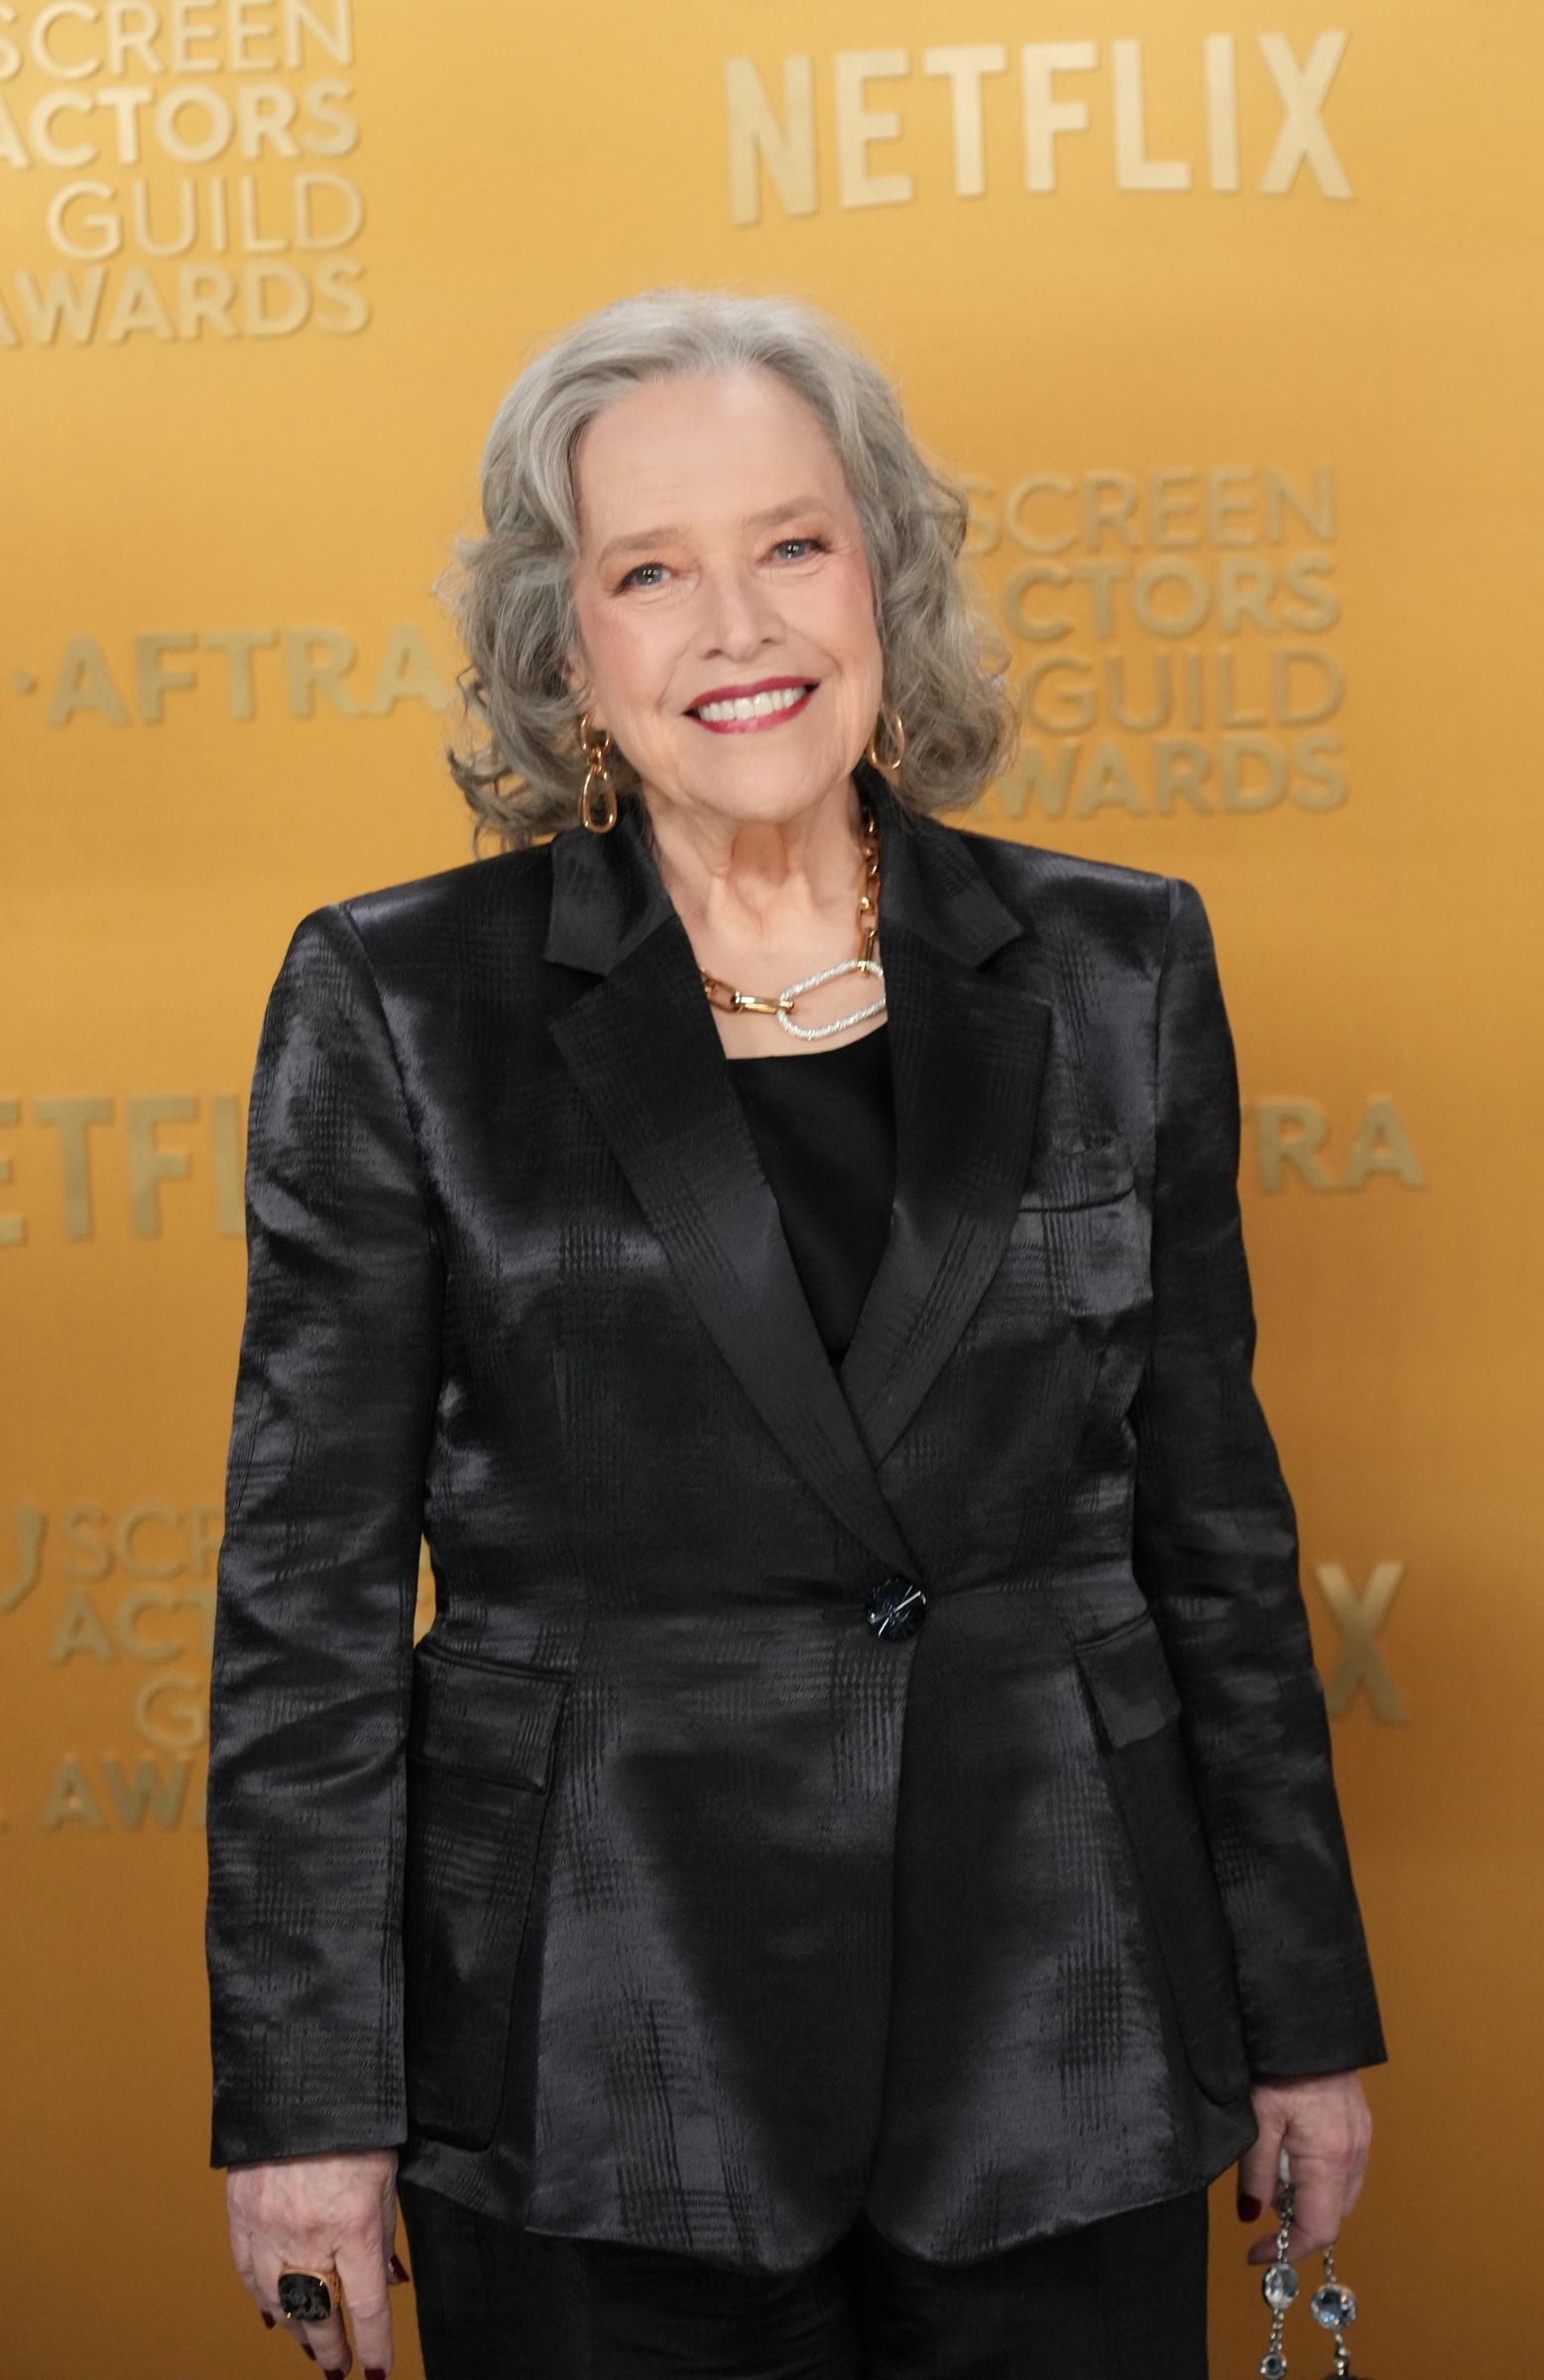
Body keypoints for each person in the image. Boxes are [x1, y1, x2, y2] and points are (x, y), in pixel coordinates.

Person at [204, 287, 1386, 2379]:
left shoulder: (1118, 965)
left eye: (791, 543)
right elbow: (301, 1616)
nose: (734, 626)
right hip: (590, 2052)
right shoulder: (399, 1003)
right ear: (565, 646)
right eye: (647, 572)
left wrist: (1298, 2022)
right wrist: (308, 2105)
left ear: (884, 578)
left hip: (1070, 2030)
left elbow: (1209, 1540)